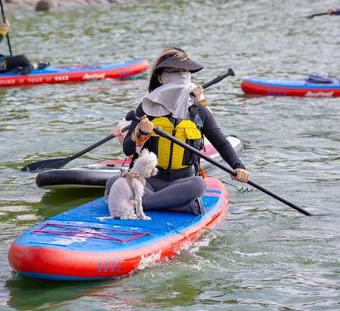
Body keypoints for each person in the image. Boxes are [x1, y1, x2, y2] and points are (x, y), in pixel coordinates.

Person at [105, 47, 251, 215]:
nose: (181, 76)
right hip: (149, 181)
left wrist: (238, 166)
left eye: (184, 71)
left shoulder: (198, 112)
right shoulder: (145, 108)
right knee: (114, 182)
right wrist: (141, 133)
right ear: (160, 78)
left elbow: (221, 142)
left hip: (183, 181)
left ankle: (143, 203)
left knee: (199, 185)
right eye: (174, 71)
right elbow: (128, 149)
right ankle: (178, 206)